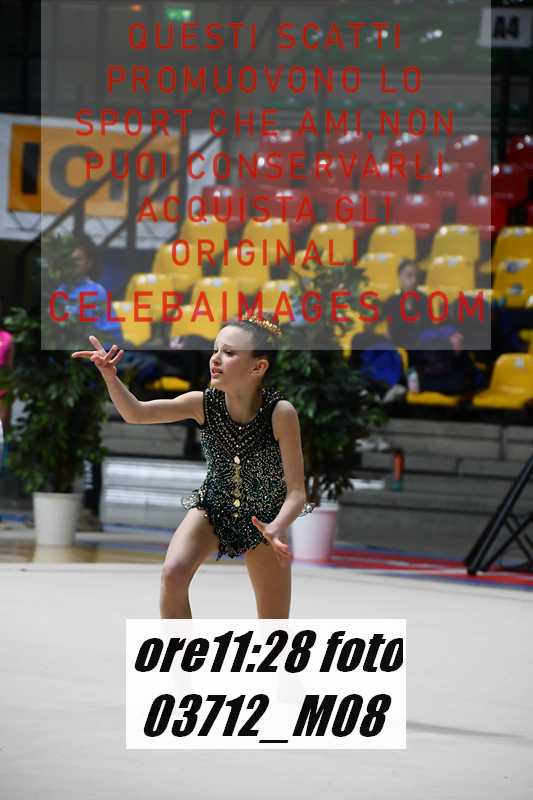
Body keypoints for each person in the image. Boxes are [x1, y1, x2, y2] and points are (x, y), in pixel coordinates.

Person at [71, 314, 315, 619]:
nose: (215, 359)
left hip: (264, 518)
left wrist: (276, 527)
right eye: (215, 350)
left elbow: (296, 493)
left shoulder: (281, 413)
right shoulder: (203, 403)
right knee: (173, 573)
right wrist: (111, 378)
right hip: (212, 506)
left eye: (229, 353)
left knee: (273, 624)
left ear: (258, 366)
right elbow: (136, 413)